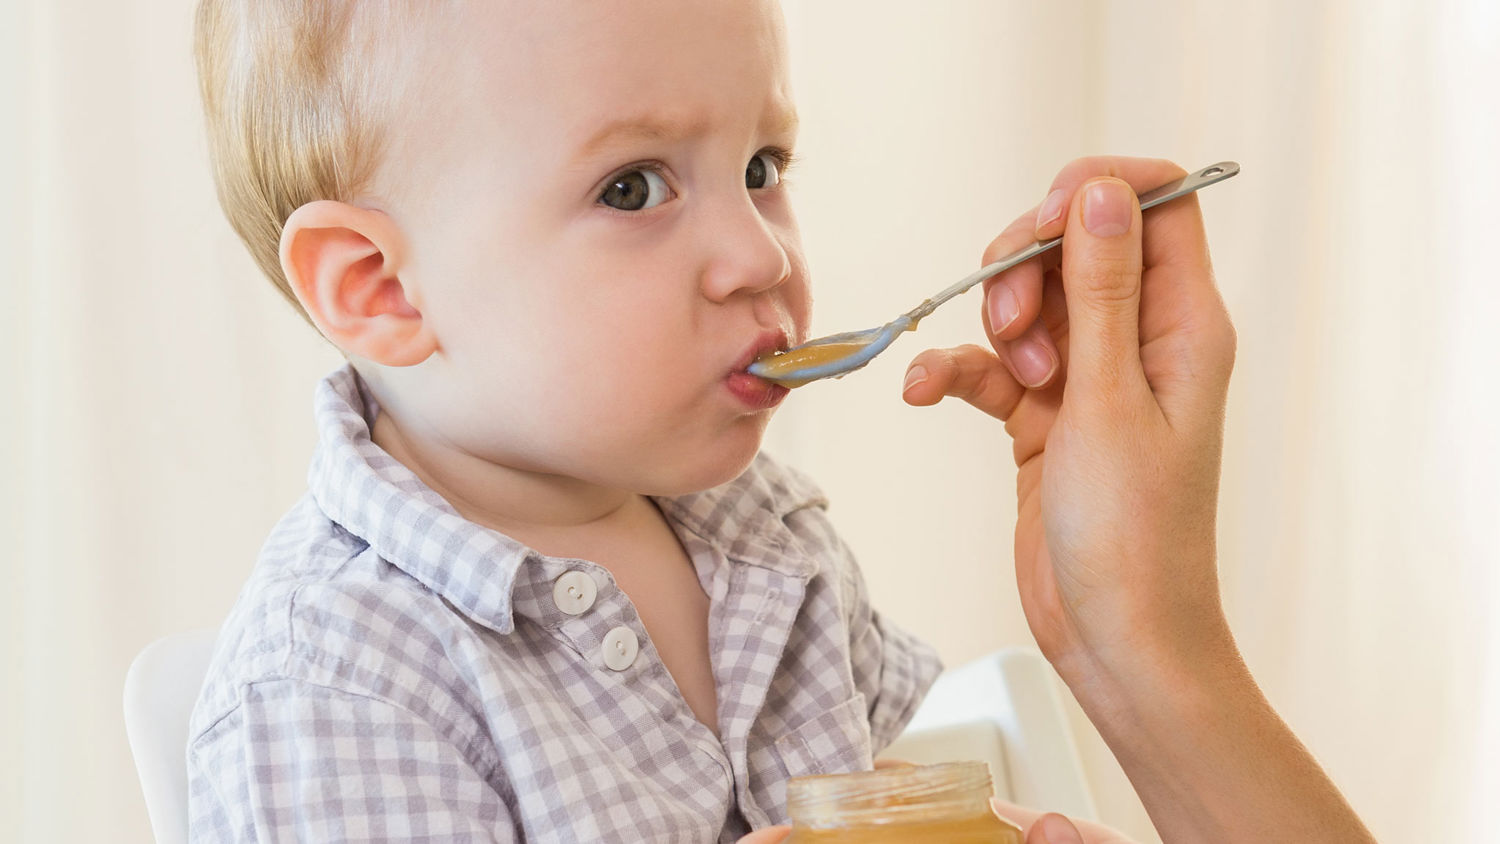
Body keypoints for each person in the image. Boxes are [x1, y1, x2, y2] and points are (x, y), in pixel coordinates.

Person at [185, 0, 1375, 840]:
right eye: (634, 187)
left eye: (762, 164)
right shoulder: (333, 691)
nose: (761, 253)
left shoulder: (766, 542)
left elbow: (916, 798)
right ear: (381, 289)